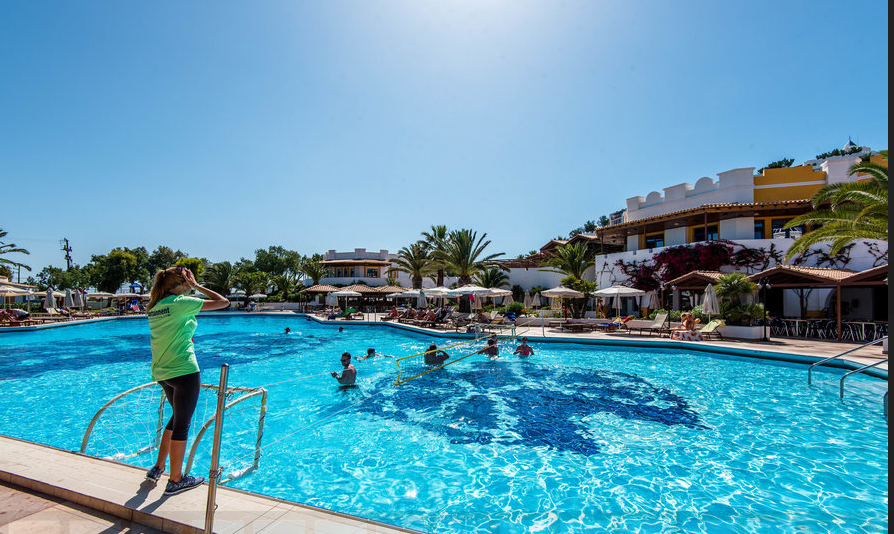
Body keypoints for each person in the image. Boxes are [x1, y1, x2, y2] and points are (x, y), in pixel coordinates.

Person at [144, 266, 229, 496]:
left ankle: (158, 467)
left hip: (162, 372)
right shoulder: (180, 302)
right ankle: (175, 480)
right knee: (182, 424)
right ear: (183, 284)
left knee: (176, 418)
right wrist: (197, 286)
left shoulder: (155, 307)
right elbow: (223, 302)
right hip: (184, 370)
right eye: (189, 283)